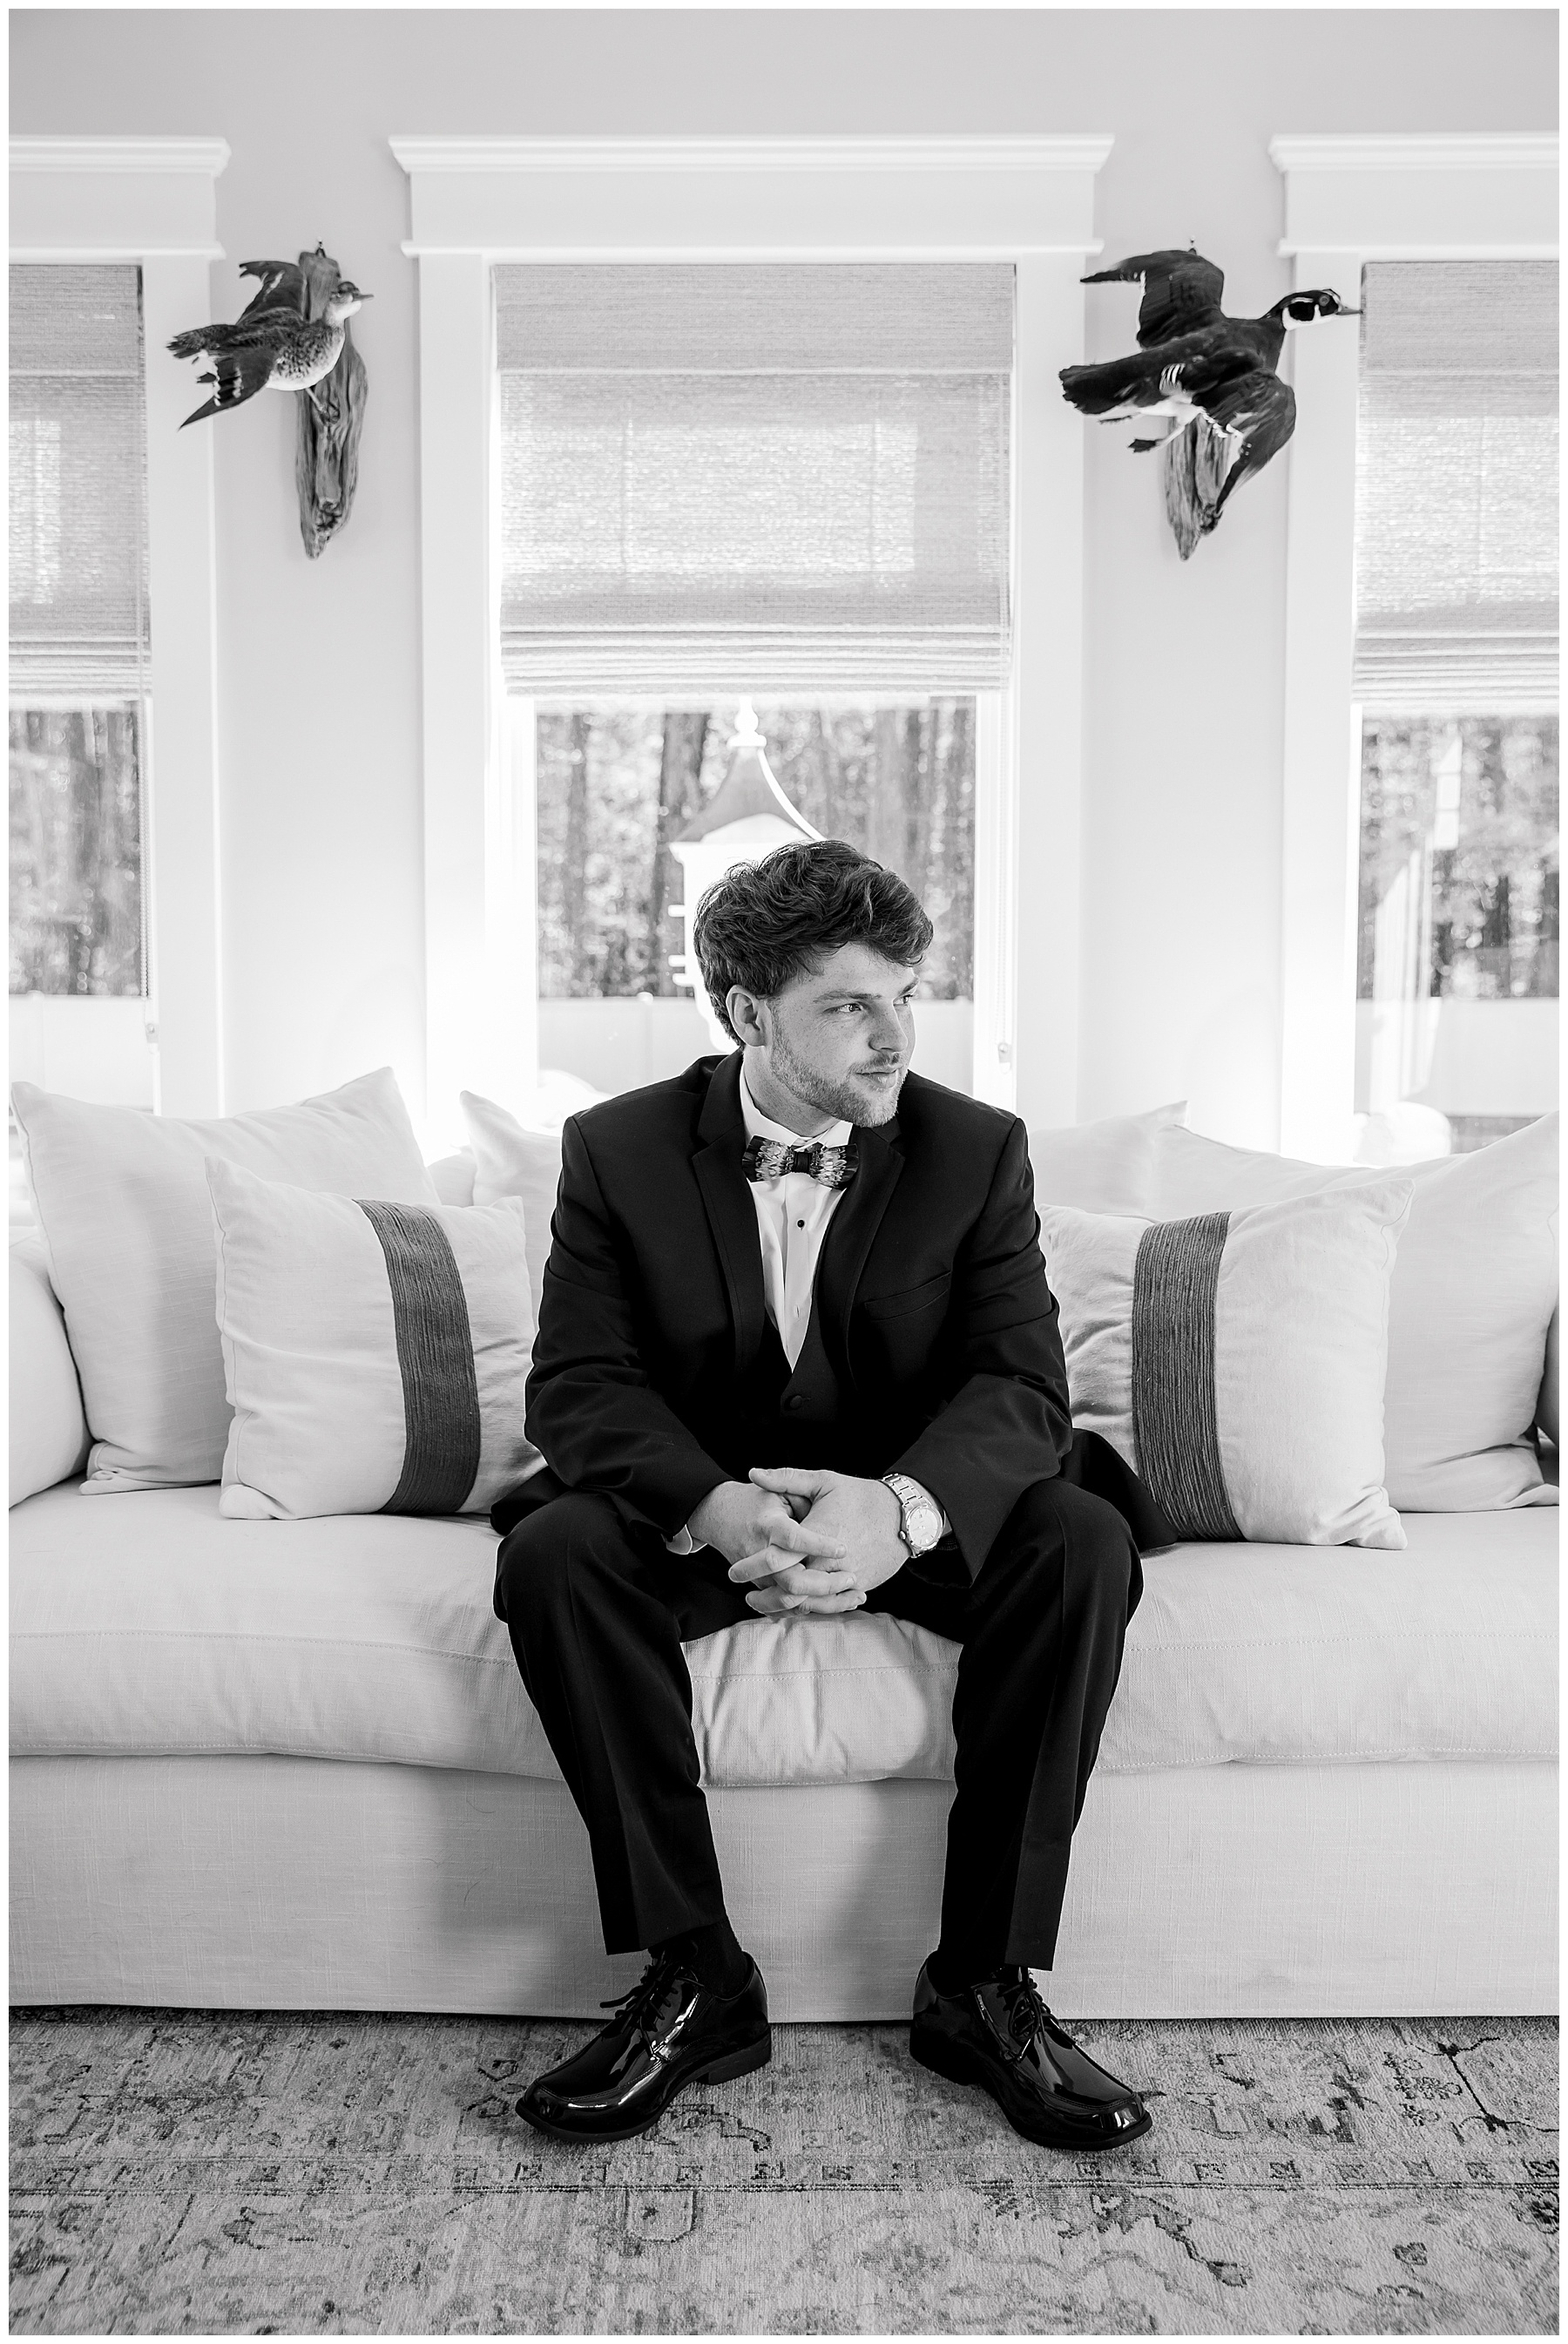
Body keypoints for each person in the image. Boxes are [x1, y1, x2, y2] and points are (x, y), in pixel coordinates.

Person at [492, 838, 1171, 2152]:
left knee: (1079, 1538)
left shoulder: (976, 1149)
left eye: (907, 996)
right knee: (557, 1555)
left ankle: (982, 1982)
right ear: (748, 1012)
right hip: (720, 1513)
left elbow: (1022, 1384)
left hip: (911, 1515)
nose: (895, 1037)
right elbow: (579, 1384)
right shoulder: (618, 1148)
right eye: (851, 1005)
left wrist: (899, 1510)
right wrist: (716, 1506)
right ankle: (698, 1976)